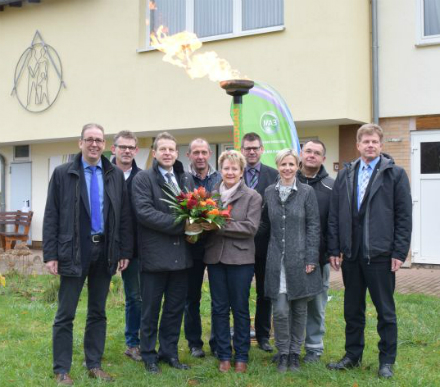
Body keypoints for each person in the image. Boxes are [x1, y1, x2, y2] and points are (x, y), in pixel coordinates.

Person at [43, 123, 132, 385]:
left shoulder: (114, 174)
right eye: (89, 139)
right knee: (65, 313)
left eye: (99, 140)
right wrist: (51, 254)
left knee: (98, 311)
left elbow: (124, 215)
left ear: (105, 145)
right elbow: (52, 215)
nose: (94, 144)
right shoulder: (63, 174)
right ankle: (61, 369)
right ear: (80, 143)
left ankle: (94, 364)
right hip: (74, 250)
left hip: (104, 250)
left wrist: (124, 250)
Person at [327, 123, 412, 379]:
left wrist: (399, 251)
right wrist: (334, 247)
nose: (370, 145)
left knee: (385, 311)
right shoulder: (346, 174)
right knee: (352, 310)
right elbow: (334, 214)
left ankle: (386, 361)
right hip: (351, 255)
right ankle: (352, 356)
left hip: (381, 255)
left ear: (381, 145)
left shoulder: (395, 174)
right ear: (358, 145)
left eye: (375, 141)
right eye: (366, 142)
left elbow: (404, 216)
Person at [132, 132, 195, 374]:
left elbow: (192, 210)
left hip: (181, 257)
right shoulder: (143, 179)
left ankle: (169, 352)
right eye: (163, 149)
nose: (168, 153)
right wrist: (182, 225)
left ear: (177, 153)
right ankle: (148, 355)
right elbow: (144, 212)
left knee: (174, 309)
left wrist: (198, 223)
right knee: (150, 310)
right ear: (155, 153)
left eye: (172, 149)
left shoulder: (185, 178)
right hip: (155, 256)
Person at [260, 148, 321, 373]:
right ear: (278, 166)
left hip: (301, 259)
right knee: (281, 310)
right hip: (277, 260)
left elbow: (314, 226)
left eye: (291, 164)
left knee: (300, 309)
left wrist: (312, 257)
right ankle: (282, 352)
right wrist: (245, 230)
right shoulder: (269, 192)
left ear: (298, 166)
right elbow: (264, 224)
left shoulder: (306, 192)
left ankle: (295, 354)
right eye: (283, 164)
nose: (287, 168)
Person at [203, 150, 262, 373]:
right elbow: (203, 223)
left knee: (240, 308)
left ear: (241, 172)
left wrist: (218, 225)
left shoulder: (252, 196)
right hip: (215, 258)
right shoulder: (211, 195)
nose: (230, 172)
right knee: (218, 308)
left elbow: (250, 228)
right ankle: (224, 354)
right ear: (221, 170)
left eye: (234, 169)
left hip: (241, 260)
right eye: (226, 168)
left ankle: (242, 356)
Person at [297, 140, 334, 363]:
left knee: (316, 305)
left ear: (323, 159)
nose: (311, 155)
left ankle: (314, 348)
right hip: (290, 256)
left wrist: (330, 251)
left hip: (319, 257)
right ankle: (291, 347)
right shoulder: (287, 180)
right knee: (290, 304)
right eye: (308, 151)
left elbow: (335, 222)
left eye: (317, 153)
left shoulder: (332, 186)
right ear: (301, 154)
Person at [184, 138, 221, 359]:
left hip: (217, 246)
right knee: (191, 298)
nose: (200, 156)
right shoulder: (183, 179)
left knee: (219, 299)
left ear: (209, 154)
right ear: (188, 155)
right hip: (192, 248)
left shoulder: (219, 178)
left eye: (204, 152)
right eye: (195, 152)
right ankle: (194, 342)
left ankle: (217, 341)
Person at [240, 132, 278, 352]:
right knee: (240, 293)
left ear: (262, 150)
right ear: (242, 150)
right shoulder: (233, 173)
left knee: (265, 293)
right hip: (239, 247)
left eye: (255, 148)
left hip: (265, 246)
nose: (252, 151)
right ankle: (243, 333)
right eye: (248, 148)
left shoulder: (274, 175)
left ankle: (263, 335)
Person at [111, 130, 142, 362]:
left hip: (134, 249)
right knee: (96, 297)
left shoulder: (142, 178)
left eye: (131, 147)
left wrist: (128, 252)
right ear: (114, 149)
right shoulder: (102, 175)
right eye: (123, 146)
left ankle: (133, 343)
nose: (127, 150)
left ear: (136, 150)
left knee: (134, 297)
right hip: (102, 246)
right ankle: (92, 346)